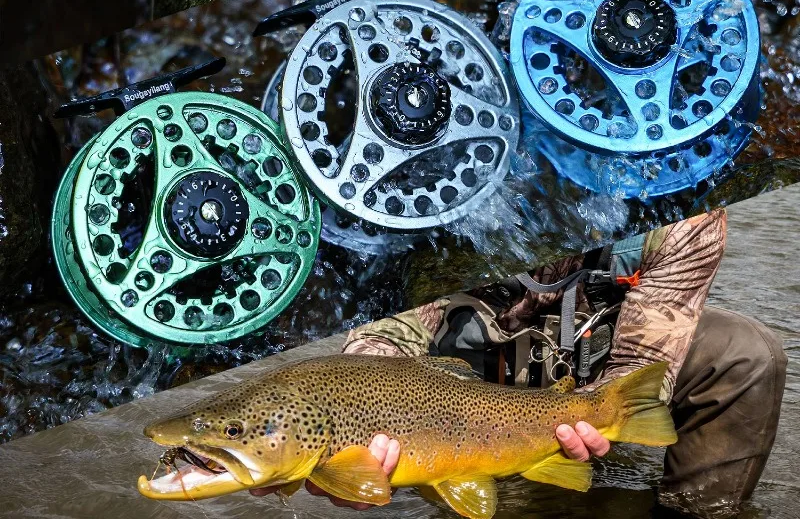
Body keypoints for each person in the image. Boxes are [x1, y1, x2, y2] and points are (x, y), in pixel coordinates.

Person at [252, 209, 787, 517]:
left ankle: (695, 513)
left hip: (598, 356)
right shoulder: (450, 193)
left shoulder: (687, 213)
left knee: (745, 354)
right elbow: (389, 333)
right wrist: (354, 438)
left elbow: (645, 357)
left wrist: (602, 415)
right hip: (463, 379)